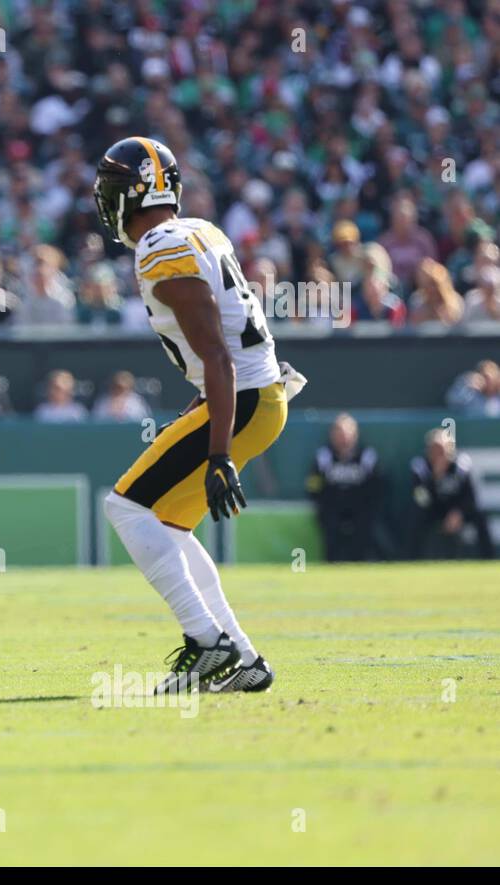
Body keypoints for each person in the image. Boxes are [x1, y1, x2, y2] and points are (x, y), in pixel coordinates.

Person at [94, 136, 305, 694]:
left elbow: (216, 353)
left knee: (125, 508)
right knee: (164, 522)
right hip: (253, 396)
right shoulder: (199, 231)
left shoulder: (161, 246)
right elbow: (224, 347)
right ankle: (244, 657)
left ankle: (208, 645)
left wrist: (216, 453)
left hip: (245, 399)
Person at [306, 414, 385, 562]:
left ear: (355, 435)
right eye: (338, 434)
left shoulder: (367, 456)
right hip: (332, 508)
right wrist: (321, 503)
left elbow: (378, 486)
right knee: (331, 533)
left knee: (364, 531)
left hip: (360, 508)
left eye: (346, 434)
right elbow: (313, 485)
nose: (343, 439)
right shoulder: (323, 457)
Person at [407, 429, 495, 560]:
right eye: (435, 450)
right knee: (414, 518)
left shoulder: (461, 466)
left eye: (442, 450)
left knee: (480, 517)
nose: (439, 455)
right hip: (433, 510)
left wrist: (458, 513)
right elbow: (420, 498)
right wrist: (434, 479)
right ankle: (411, 559)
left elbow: (470, 497)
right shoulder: (421, 468)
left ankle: (489, 559)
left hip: (456, 510)